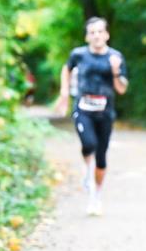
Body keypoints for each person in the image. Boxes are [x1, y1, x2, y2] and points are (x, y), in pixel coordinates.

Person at [54, 17, 129, 216]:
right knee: (89, 144)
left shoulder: (115, 57)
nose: (96, 36)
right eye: (92, 32)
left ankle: (96, 197)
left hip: (105, 111)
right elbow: (66, 69)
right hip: (83, 107)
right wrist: (64, 92)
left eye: (100, 31)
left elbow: (121, 89)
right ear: (87, 36)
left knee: (102, 157)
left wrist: (115, 72)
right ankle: (88, 172)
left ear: (106, 35)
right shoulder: (78, 54)